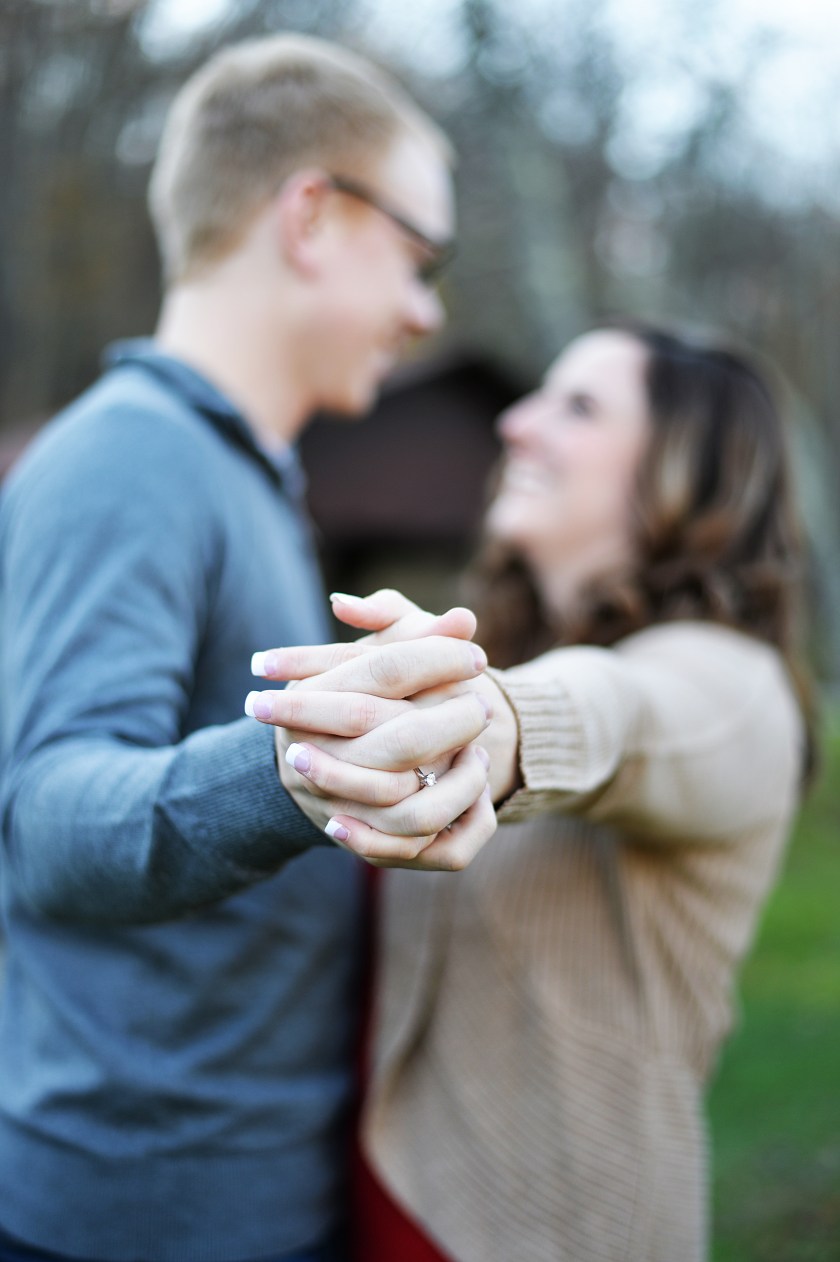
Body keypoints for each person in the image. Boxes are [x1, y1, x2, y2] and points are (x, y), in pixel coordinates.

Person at [0, 34, 496, 1262]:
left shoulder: (241, 476)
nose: (425, 311)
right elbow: (45, 819)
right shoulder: (131, 455)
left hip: (249, 1201)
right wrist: (302, 761)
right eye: (418, 257)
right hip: (136, 1225)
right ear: (313, 214)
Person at [246, 322, 812, 1261]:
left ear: (686, 470)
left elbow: (622, 715)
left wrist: (497, 723)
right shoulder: (500, 659)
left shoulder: (734, 685)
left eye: (578, 407)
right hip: (372, 1214)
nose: (516, 424)